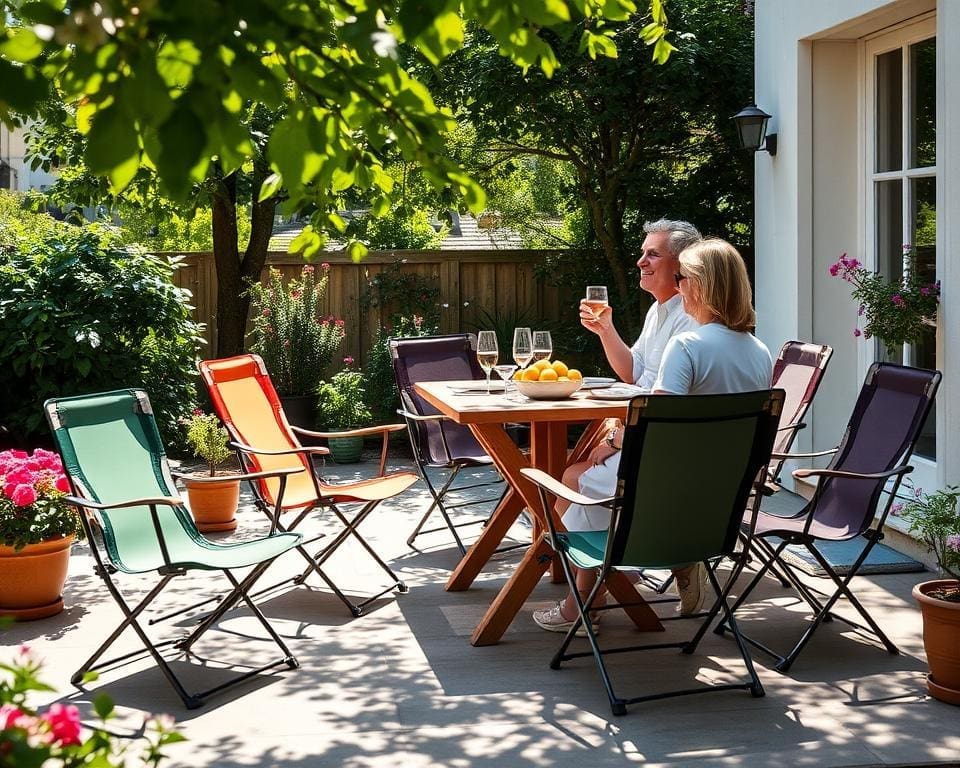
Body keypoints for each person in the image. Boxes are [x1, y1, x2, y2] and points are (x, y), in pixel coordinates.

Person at [533, 237, 773, 636]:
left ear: (699, 284)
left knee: (575, 477)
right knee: (591, 480)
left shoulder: (689, 345)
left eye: (681, 279)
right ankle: (589, 598)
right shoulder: (759, 351)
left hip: (662, 491)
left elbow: (657, 424)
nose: (677, 288)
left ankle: (581, 600)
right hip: (716, 501)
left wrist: (609, 444)